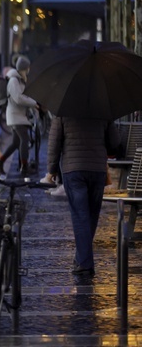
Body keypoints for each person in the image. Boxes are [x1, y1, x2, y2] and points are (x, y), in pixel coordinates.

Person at [47, 115, 119, 277]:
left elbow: (54, 142)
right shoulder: (103, 109)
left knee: (80, 216)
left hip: (73, 170)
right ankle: (82, 258)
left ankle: (84, 262)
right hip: (97, 169)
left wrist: (52, 169)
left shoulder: (64, 110)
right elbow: (114, 144)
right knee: (91, 216)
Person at [0, 56, 39, 177]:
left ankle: (0, 162)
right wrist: (34, 103)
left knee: (15, 143)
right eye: (27, 68)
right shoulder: (14, 80)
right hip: (15, 116)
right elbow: (18, 98)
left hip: (18, 116)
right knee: (25, 140)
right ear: (23, 68)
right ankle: (24, 166)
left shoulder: (19, 80)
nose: (29, 70)